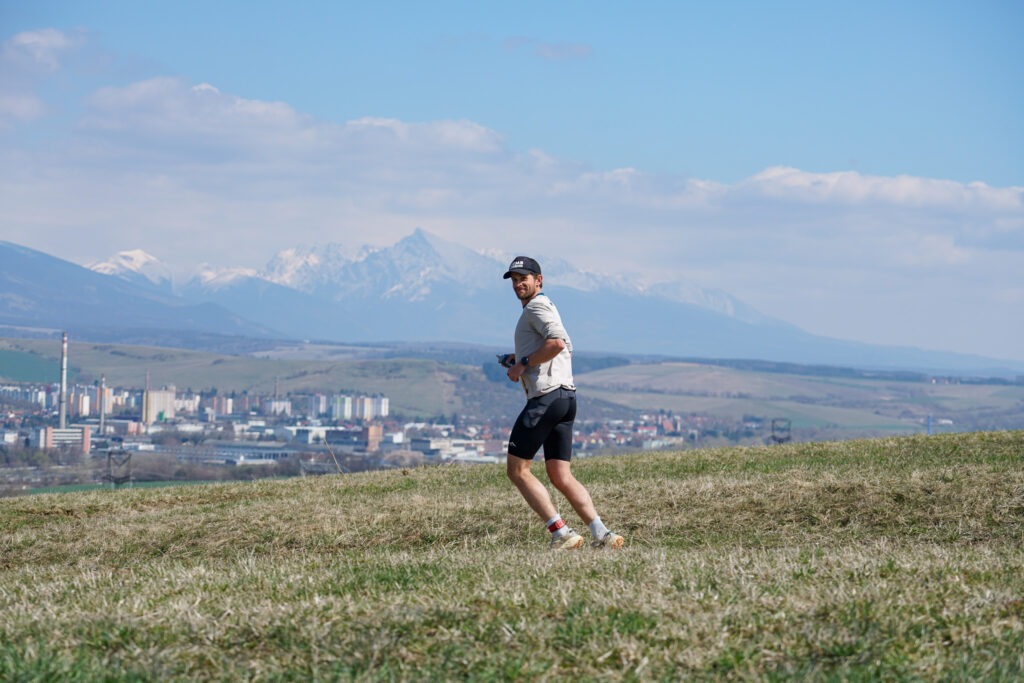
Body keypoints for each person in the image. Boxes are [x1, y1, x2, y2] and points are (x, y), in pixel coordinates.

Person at [500, 256, 625, 550]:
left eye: (523, 279)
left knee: (517, 470)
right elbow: (564, 345)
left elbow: (556, 344)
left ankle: (561, 533)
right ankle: (603, 534)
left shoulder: (537, 307)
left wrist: (522, 365)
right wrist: (521, 359)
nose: (518, 284)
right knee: (560, 474)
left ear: (538, 280)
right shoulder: (547, 306)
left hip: (546, 397)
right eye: (514, 280)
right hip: (565, 397)